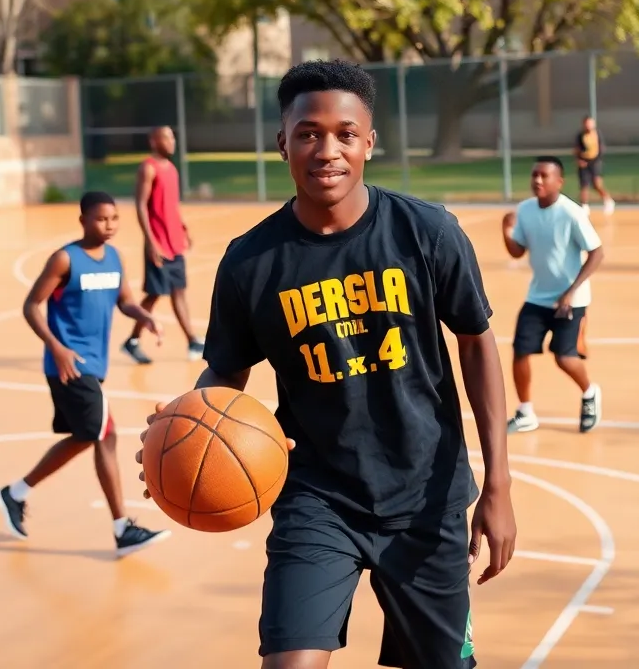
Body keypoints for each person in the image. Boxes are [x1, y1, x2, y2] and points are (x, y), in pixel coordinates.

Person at [137, 60, 517, 669]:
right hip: (316, 495)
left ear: (370, 142)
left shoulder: (427, 233)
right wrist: (182, 427)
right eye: (309, 133)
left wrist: (497, 484)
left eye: (345, 133)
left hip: (425, 495)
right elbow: (225, 376)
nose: (327, 149)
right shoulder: (250, 262)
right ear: (282, 140)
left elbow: (475, 342)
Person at [0, 191, 170, 557]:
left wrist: (145, 316)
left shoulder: (115, 258)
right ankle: (122, 529)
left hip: (94, 365)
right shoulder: (65, 259)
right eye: (101, 218)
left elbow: (124, 301)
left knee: (86, 435)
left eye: (114, 218)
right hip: (70, 366)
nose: (109, 225)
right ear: (83, 220)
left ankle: (16, 492)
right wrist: (56, 347)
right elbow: (31, 306)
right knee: (104, 434)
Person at [501, 158, 604, 435]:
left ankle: (589, 392)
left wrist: (570, 292)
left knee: (564, 357)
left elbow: (597, 252)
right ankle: (525, 412)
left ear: (559, 181)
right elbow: (517, 252)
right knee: (520, 352)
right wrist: (506, 230)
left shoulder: (572, 213)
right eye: (534, 174)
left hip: (572, 298)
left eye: (544, 176)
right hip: (538, 296)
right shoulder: (525, 210)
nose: (537, 180)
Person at [122, 125, 204, 364]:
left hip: (174, 242)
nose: (171, 141)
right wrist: (150, 242)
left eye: (172, 137)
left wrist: (183, 227)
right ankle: (133, 340)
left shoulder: (172, 169)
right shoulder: (148, 168)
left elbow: (170, 205)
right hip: (157, 244)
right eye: (166, 137)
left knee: (178, 291)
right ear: (153, 141)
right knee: (154, 294)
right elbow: (140, 205)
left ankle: (191, 340)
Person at [574, 116, 615, 215]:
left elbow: (601, 148)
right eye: (586, 123)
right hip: (584, 162)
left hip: (595, 162)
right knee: (584, 185)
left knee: (597, 184)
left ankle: (608, 200)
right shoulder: (580, 135)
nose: (588, 125)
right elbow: (576, 149)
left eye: (590, 123)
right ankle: (584, 206)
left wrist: (598, 160)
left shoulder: (597, 134)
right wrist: (579, 160)